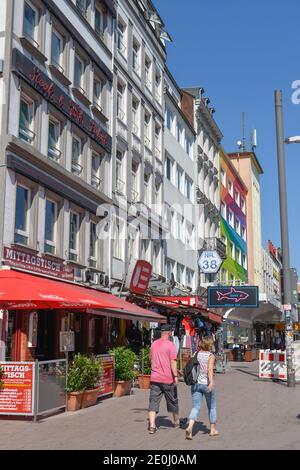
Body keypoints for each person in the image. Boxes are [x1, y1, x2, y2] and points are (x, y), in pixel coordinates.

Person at [148, 324, 179, 434]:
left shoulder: (154, 344)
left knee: (153, 401)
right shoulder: (171, 345)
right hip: (167, 378)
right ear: (169, 332)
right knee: (173, 401)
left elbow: (150, 358)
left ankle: (152, 425)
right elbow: (173, 362)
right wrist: (175, 376)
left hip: (155, 378)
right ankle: (176, 422)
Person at [185, 337, 219, 440]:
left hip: (196, 384)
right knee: (211, 407)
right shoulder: (210, 356)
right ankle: (212, 430)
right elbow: (209, 370)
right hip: (206, 384)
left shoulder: (196, 354)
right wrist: (211, 383)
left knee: (196, 407)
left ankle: (190, 426)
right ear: (209, 345)